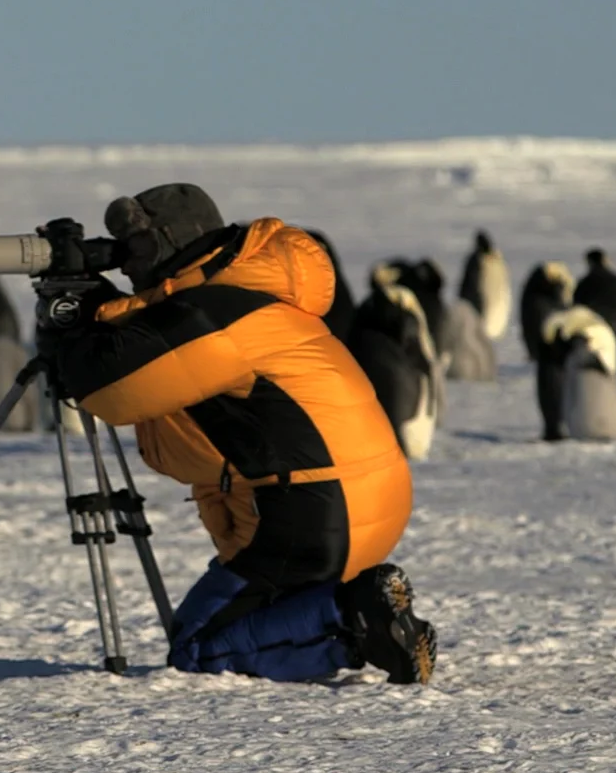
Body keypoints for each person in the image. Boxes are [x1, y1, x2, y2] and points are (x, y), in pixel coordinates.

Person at [48, 183, 436, 684]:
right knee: (254, 612)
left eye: (134, 247)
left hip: (315, 513)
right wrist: (98, 306)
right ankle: (359, 606)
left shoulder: (215, 317)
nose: (123, 263)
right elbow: (156, 339)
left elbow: (108, 389)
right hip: (366, 508)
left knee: (196, 648)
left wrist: (73, 328)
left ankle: (357, 620)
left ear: (166, 241)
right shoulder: (246, 295)